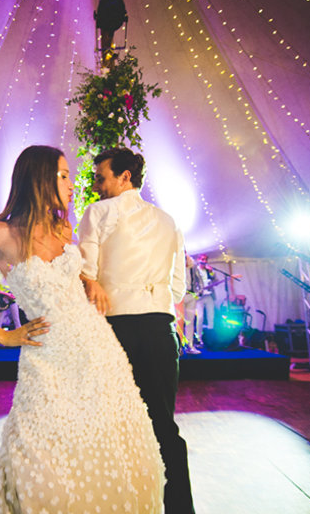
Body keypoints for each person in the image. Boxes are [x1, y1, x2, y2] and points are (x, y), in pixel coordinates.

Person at [0, 145, 164, 512]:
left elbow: (69, 278)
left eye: (69, 175)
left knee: (109, 443)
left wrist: (89, 281)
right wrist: (3, 335)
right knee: (39, 454)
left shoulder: (62, 228)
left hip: (99, 350)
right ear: (38, 178)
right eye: (62, 175)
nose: (72, 183)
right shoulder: (1, 233)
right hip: (49, 356)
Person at [79, 146, 195, 514]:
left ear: (124, 176)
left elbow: (86, 272)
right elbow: (179, 285)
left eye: (101, 177)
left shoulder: (97, 212)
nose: (96, 185)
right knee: (163, 424)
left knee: (112, 424)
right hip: (161, 328)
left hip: (115, 330)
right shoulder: (168, 220)